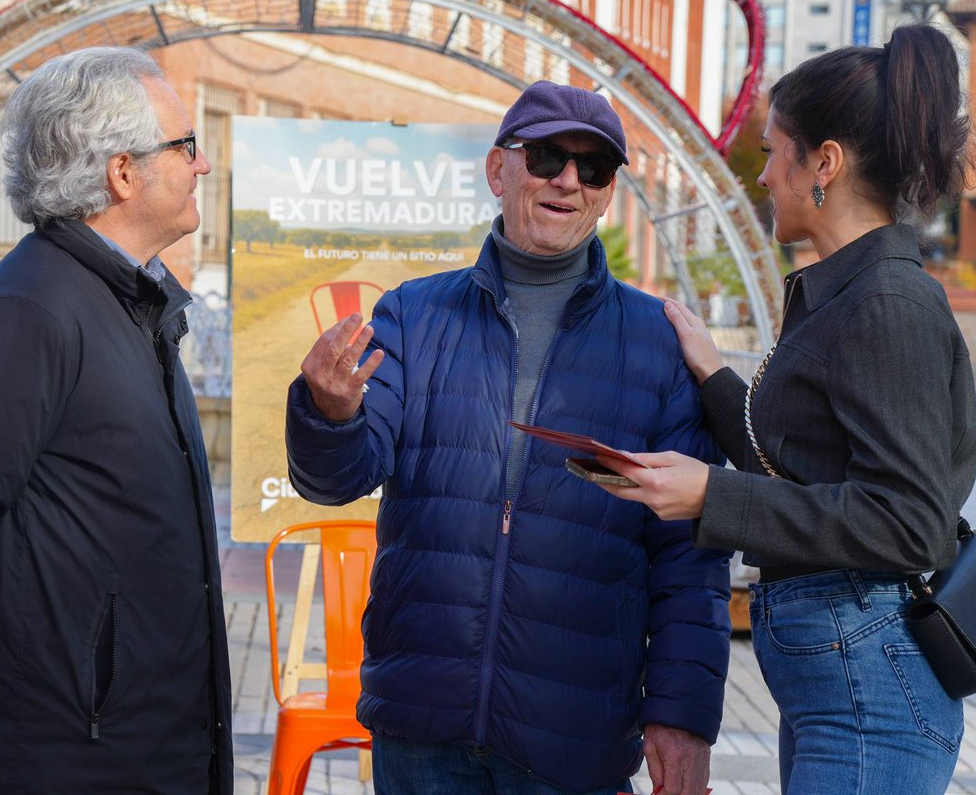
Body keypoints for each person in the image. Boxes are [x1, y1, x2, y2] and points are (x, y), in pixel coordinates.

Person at [285, 80, 732, 795]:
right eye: (549, 157)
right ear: (500, 170)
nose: (568, 181)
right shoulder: (413, 314)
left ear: (609, 192)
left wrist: (683, 718)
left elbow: (690, 560)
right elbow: (339, 477)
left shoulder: (656, 344)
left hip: (574, 731)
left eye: (594, 169)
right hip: (421, 718)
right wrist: (329, 413)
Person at [593, 24, 976, 794]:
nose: (763, 176)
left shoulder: (887, 301)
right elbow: (796, 469)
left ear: (824, 164)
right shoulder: (846, 291)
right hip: (843, 677)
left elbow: (908, 522)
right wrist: (710, 372)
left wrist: (711, 495)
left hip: (870, 684)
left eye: (773, 151)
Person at [0, 46, 234, 794]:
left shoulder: (122, 298)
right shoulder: (34, 308)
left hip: (126, 733)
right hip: (61, 746)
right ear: (123, 172)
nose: (201, 166)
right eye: (187, 146)